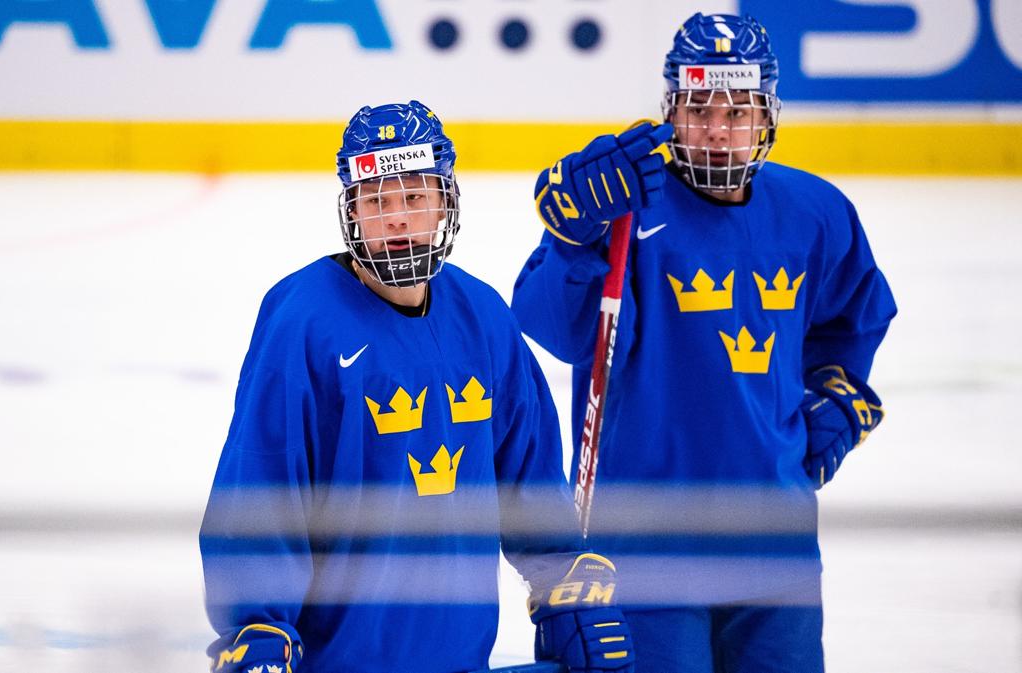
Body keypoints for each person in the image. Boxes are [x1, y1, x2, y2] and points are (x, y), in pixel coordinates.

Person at [512, 13, 897, 673]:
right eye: (698, 108)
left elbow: (853, 314)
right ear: (670, 111)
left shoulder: (814, 212)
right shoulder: (627, 211)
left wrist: (839, 389)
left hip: (777, 548)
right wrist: (574, 239)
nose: (717, 129)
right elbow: (563, 331)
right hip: (642, 553)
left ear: (768, 117)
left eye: (738, 109)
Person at [200, 100, 635, 673]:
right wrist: (255, 625)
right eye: (377, 201)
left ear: (444, 204)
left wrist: (566, 579)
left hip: (461, 659)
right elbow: (262, 484)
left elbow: (528, 480)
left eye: (414, 197)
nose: (397, 218)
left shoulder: (482, 316)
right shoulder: (303, 322)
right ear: (351, 211)